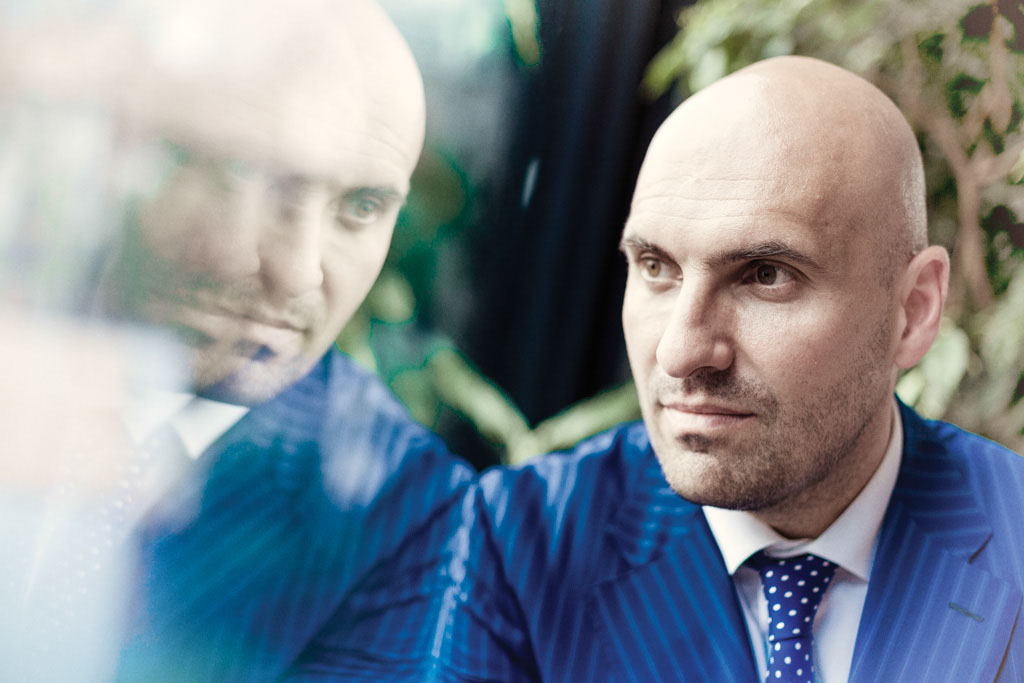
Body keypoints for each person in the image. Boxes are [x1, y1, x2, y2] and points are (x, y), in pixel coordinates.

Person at [325, 56, 1024, 682]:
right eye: (656, 267)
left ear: (913, 310)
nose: (680, 352)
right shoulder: (521, 547)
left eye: (766, 275)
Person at [0, 0, 471, 680]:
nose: (300, 271)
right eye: (262, 183)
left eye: (362, 207)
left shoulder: (403, 518)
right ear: (126, 154)